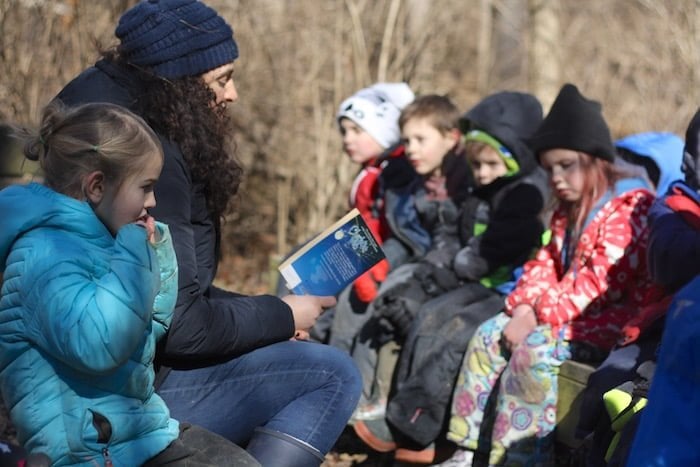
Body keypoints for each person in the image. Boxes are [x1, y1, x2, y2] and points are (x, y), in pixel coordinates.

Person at [54, 1, 362, 465]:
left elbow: (171, 295)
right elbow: (182, 329)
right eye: (221, 79)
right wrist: (282, 314)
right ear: (177, 84)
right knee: (333, 373)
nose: (232, 94)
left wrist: (268, 317)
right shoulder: (150, 157)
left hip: (91, 384)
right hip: (124, 400)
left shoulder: (92, 118)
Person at [0, 102, 259, 466]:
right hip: (91, 451)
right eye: (145, 187)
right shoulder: (44, 254)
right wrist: (135, 252)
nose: (152, 201)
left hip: (137, 433)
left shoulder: (102, 240)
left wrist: (158, 254)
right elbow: (100, 343)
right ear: (97, 186)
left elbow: (147, 330)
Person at [444, 83, 666, 466]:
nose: (557, 178)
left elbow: (594, 285)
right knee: (488, 335)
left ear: (596, 160)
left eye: (567, 165)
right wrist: (523, 306)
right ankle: (468, 450)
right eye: (549, 169)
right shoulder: (568, 209)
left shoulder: (629, 208)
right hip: (561, 315)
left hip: (611, 323)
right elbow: (542, 263)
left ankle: (521, 458)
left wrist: (534, 314)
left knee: (534, 351)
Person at [352, 91, 548, 464]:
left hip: (510, 289)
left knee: (455, 330)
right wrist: (426, 280)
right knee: (427, 315)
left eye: (492, 164)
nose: (483, 174)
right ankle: (407, 419)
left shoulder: (524, 195)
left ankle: (423, 427)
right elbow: (454, 238)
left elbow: (487, 251)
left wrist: (448, 273)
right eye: (477, 166)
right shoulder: (484, 189)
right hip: (479, 283)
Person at [349, 94, 472, 423]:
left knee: (397, 299)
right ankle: (351, 394)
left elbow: (450, 240)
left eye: (421, 139)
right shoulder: (413, 180)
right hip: (420, 261)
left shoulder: (465, 180)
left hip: (451, 273)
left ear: (451, 137)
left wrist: (416, 275)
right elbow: (402, 232)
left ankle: (377, 400)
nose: (412, 149)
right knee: (360, 291)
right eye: (406, 140)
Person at [316, 81, 420, 349]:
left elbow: (383, 227)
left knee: (331, 300)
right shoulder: (371, 171)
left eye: (357, 130)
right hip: (364, 248)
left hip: (381, 256)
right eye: (344, 131)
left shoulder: (392, 171)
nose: (347, 139)